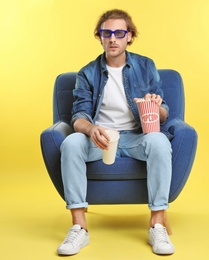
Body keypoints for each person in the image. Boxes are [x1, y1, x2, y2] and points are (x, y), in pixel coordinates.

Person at [57, 9, 175, 256]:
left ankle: (157, 224)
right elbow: (78, 116)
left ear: (129, 36)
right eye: (106, 33)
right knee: (71, 143)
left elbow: (163, 111)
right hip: (101, 140)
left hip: (135, 137)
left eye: (119, 33)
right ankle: (79, 227)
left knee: (159, 142)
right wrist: (92, 129)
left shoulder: (145, 66)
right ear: (99, 37)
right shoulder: (87, 73)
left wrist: (154, 105)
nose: (112, 39)